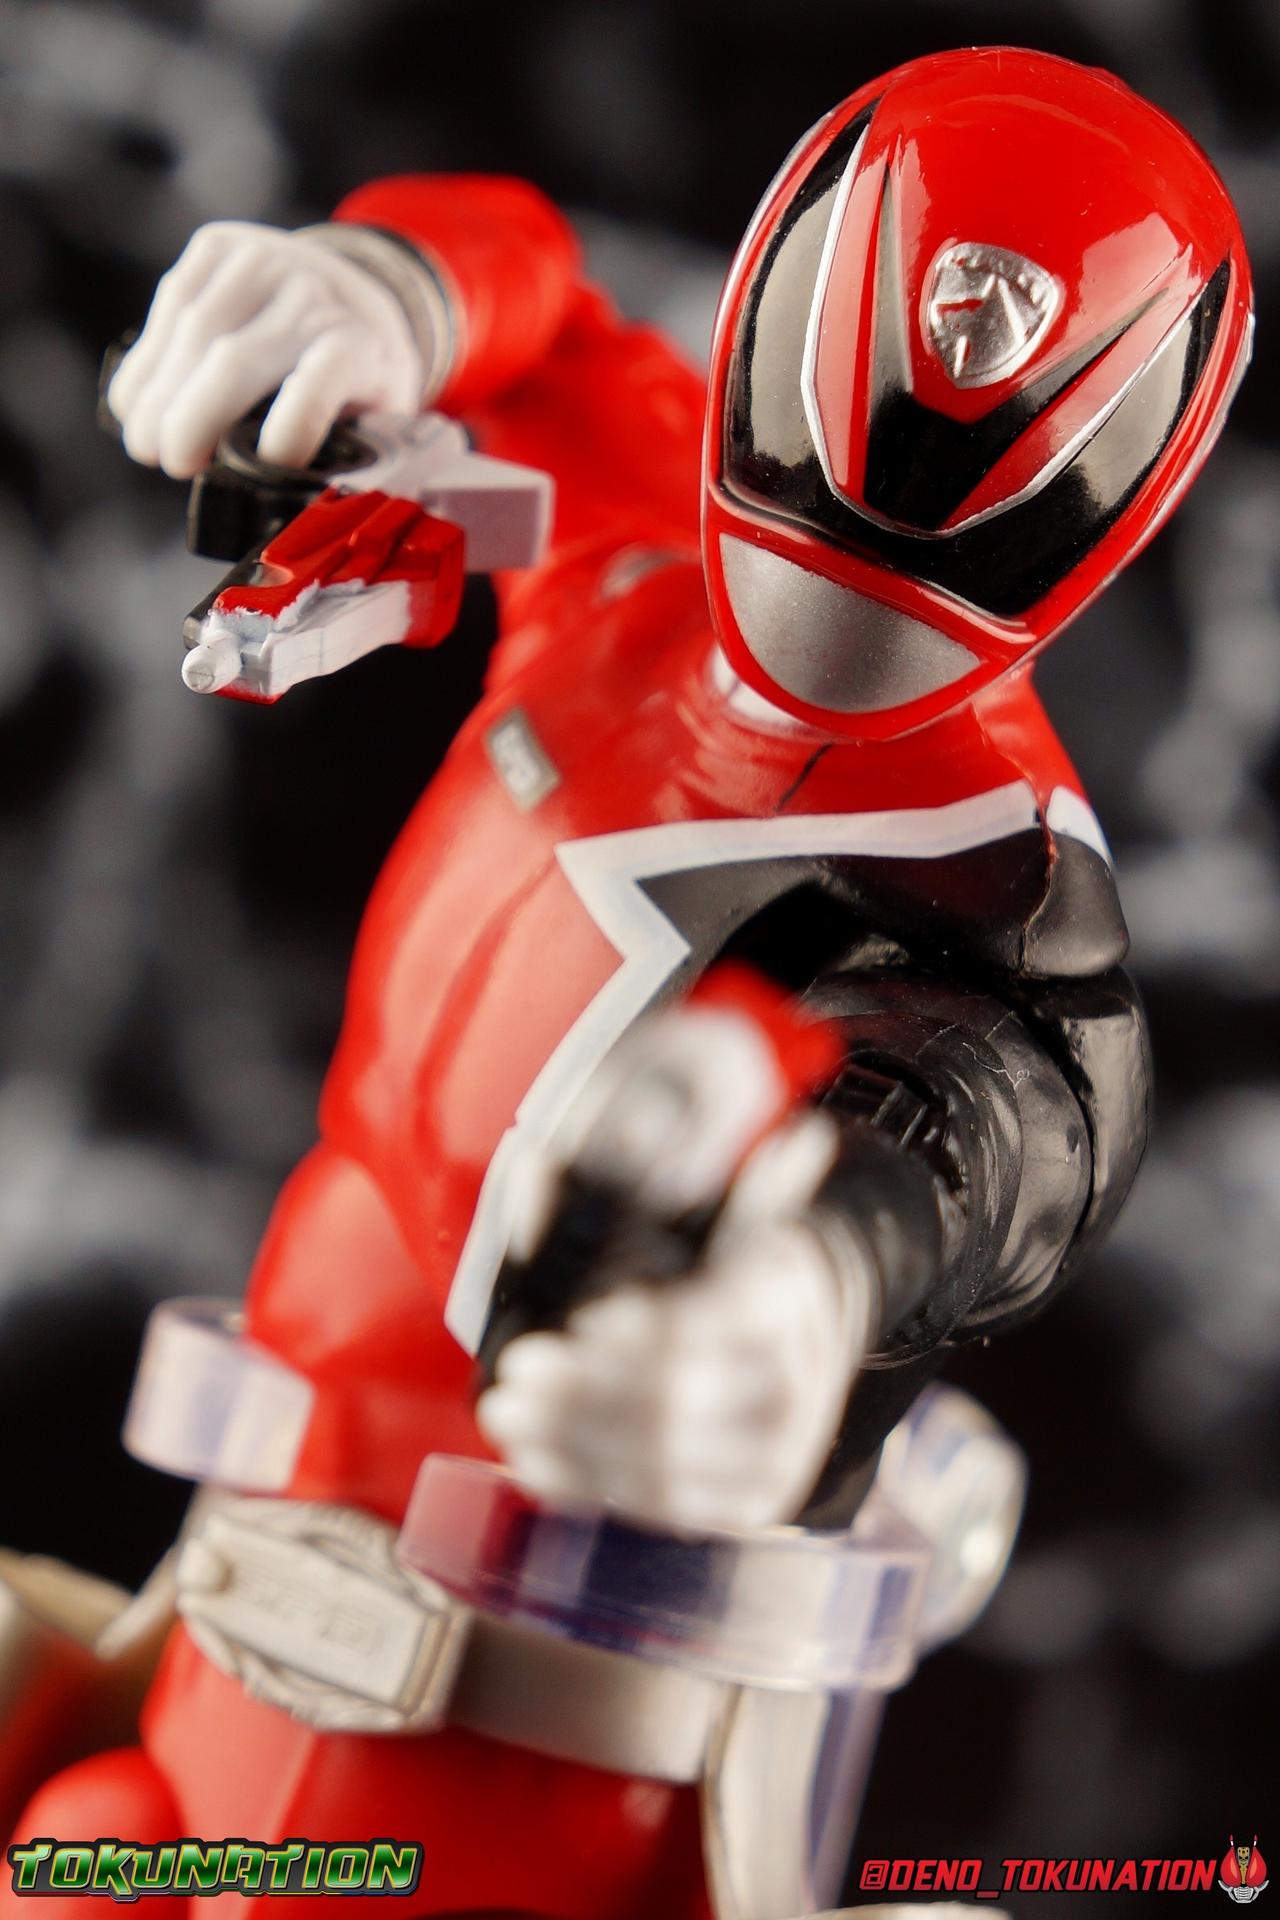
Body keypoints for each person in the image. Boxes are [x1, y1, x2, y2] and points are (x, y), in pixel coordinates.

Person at [2, 46, 1251, 1920]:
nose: (835, 583)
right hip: (231, 1610)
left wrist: (804, 1291)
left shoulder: (1000, 896)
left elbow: (978, 1128)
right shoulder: (632, 543)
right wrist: (377, 291)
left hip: (520, 1760)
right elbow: (529, 304)